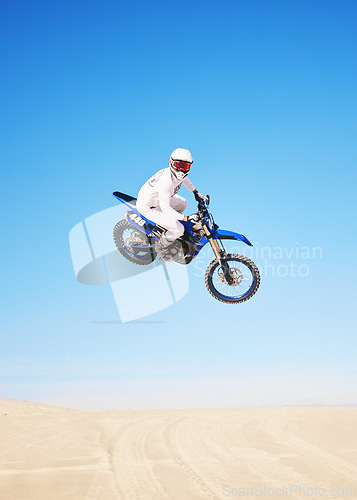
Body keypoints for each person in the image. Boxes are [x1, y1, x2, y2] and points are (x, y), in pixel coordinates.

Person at [136, 148, 205, 256]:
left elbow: (184, 180)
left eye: (185, 166)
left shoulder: (176, 174)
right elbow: (166, 208)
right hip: (149, 207)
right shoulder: (166, 181)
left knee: (183, 203)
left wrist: (195, 192)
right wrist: (186, 218)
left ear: (190, 167)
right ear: (171, 162)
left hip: (157, 200)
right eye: (179, 165)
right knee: (179, 229)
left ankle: (168, 225)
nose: (181, 170)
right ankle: (161, 247)